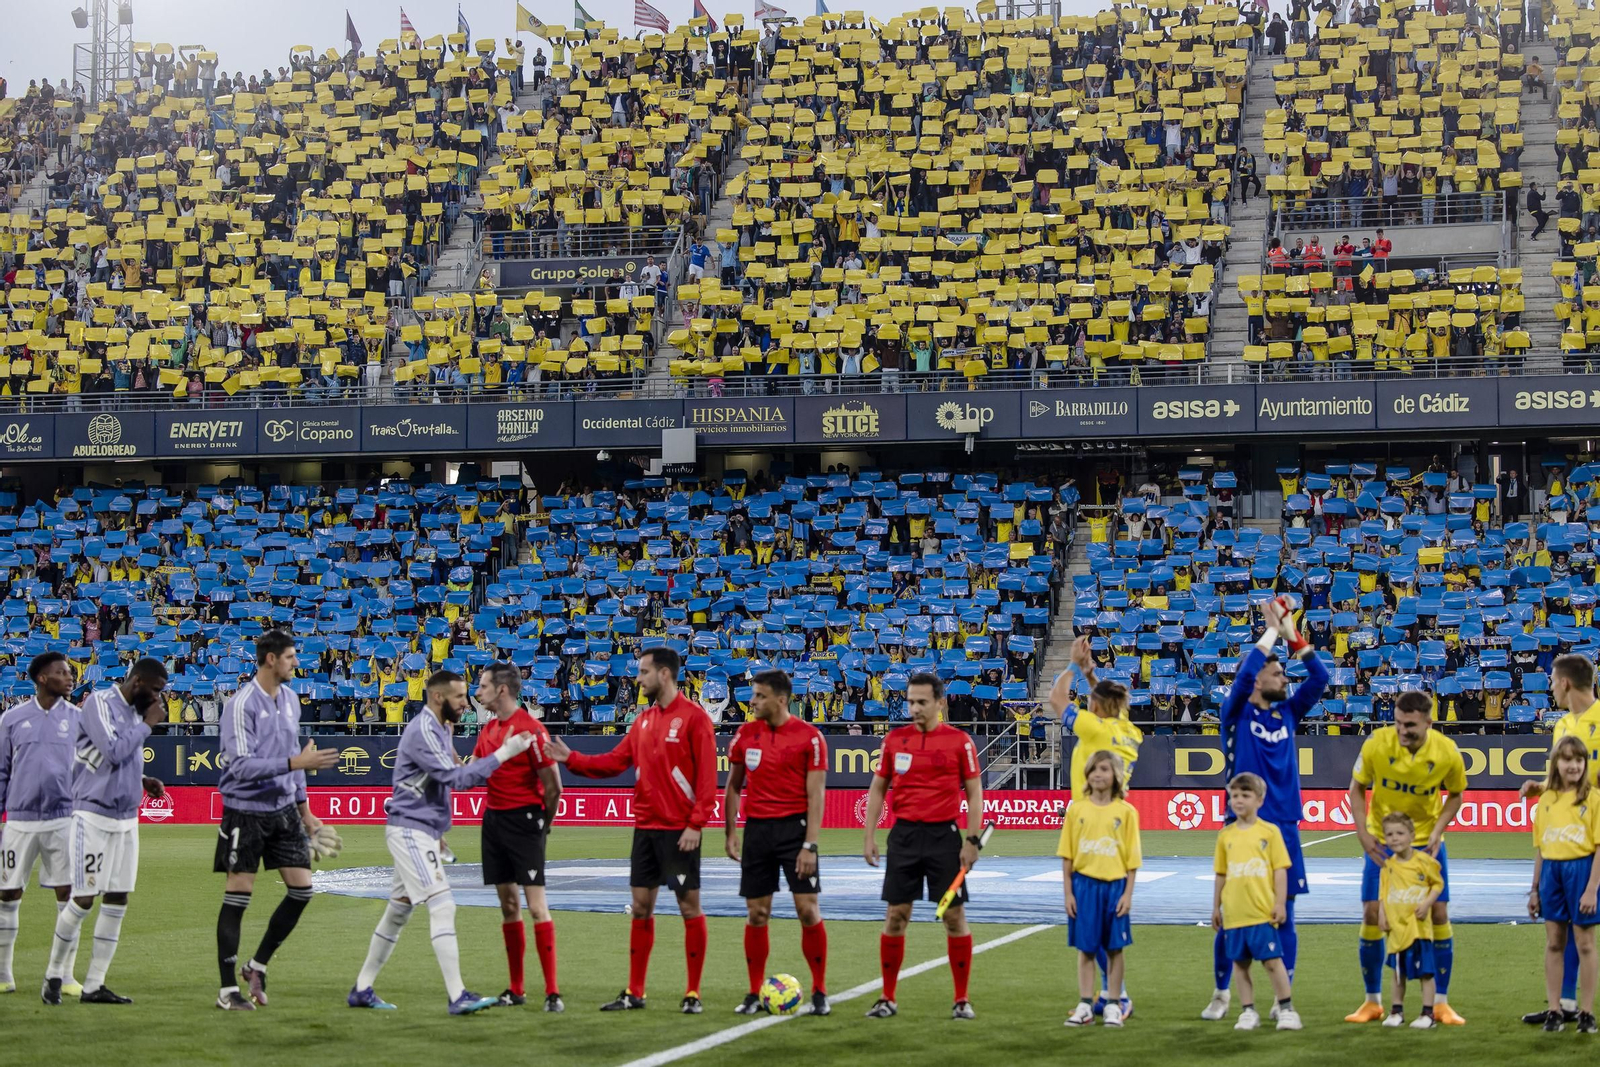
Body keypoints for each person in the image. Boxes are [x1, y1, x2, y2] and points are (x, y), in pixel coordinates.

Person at [347, 670, 535, 1014]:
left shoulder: (442, 727)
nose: (467, 703)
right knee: (443, 905)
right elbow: (455, 779)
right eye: (460, 697)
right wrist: (504, 754)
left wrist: (438, 831)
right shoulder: (423, 730)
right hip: (409, 831)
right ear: (438, 698)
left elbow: (441, 782)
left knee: (398, 912)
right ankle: (457, 995)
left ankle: (362, 988)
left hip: (420, 829)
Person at [545, 646, 717, 1013]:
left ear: (664, 674)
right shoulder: (642, 721)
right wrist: (571, 759)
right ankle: (635, 992)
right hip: (646, 829)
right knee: (641, 908)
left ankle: (693, 993)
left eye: (643, 672)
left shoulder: (694, 718)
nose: (637, 679)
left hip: (679, 831)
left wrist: (696, 824)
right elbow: (614, 762)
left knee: (689, 907)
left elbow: (707, 779)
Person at [1204, 596, 1326, 1020]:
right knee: (1232, 914)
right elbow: (1241, 679)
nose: (1284, 680)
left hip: (1285, 826)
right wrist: (1272, 629)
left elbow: (1320, 677)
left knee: (1284, 912)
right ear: (1259, 679)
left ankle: (1280, 997)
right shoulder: (1235, 714)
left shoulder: (1288, 713)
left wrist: (1291, 632)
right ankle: (1221, 994)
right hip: (1239, 826)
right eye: (1277, 673)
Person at [213, 630, 340, 1011]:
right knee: (239, 894)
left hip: (284, 810)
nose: (296, 663)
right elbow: (238, 766)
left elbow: (295, 758)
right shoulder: (240, 705)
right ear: (270, 659)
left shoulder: (290, 700)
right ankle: (226, 991)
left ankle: (256, 965)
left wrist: (307, 814)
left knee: (302, 891)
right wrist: (295, 763)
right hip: (246, 810)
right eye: (290, 657)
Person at [41, 658, 169, 1005]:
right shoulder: (100, 702)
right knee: (83, 899)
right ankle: (54, 974)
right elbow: (112, 751)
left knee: (118, 898)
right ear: (138, 682)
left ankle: (95, 985)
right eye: (156, 689)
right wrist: (147, 725)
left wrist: (142, 780)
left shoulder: (135, 711)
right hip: (92, 816)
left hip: (127, 817)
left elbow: (114, 759)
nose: (159, 698)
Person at [862, 672, 984, 1021]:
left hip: (944, 838)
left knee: (953, 915)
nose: (914, 708)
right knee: (896, 916)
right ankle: (887, 997)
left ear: (940, 703)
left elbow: (974, 793)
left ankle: (961, 999)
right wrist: (869, 835)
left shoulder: (959, 742)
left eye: (921, 702)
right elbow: (877, 788)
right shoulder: (895, 741)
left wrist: (972, 840)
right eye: (910, 701)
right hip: (903, 838)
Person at [1345, 691, 1467, 1025]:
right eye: (1398, 722)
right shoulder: (1376, 744)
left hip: (1426, 841)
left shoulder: (1446, 752)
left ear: (1429, 722)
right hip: (1382, 841)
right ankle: (1372, 1002)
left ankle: (1440, 1003)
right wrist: (1361, 831)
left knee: (1438, 913)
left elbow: (1456, 795)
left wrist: (1440, 829)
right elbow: (1356, 787)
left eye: (1410, 725)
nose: (1402, 730)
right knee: (1372, 913)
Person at [724, 669, 830, 1016]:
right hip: (757, 832)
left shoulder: (809, 737)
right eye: (752, 695)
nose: (752, 701)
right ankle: (754, 992)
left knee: (808, 911)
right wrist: (730, 832)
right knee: (757, 913)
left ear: (781, 700)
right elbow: (734, 786)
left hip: (795, 832)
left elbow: (816, 797)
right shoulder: (745, 735)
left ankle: (819, 991)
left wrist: (810, 845)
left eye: (759, 696)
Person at [1048, 638, 1141, 1016]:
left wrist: (1070, 666)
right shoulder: (1129, 731)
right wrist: (1090, 673)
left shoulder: (1095, 730)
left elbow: (1056, 701)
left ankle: (1114, 996)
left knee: (1090, 919)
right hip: (1116, 818)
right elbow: (1101, 701)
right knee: (1106, 920)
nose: (1087, 704)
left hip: (1090, 816)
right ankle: (1112, 994)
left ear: (1099, 708)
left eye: (1091, 702)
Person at [471, 662, 563, 1011]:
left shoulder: (531, 730)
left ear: (502, 690)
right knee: (509, 906)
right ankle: (516, 988)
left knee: (537, 907)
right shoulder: (488, 731)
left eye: (482, 686)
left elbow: (554, 785)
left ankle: (552, 992)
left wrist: (544, 823)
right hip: (493, 821)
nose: (478, 692)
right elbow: (473, 772)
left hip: (526, 822)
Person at [1520, 652, 1600, 1024]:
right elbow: (1561, 781)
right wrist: (1540, 786)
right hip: (1571, 838)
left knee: (1585, 930)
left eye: (1552, 681)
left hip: (1593, 838)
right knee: (1568, 926)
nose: (1551, 687)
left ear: (1565, 682)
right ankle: (1565, 1005)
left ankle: (1578, 1006)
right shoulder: (1562, 726)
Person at [0, 653, 84, 995]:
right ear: (42, 679)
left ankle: (64, 976)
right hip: (19, 821)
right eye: (62, 672)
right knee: (7, 894)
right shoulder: (12, 719)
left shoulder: (80, 719)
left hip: (63, 819)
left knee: (69, 895)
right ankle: (4, 975)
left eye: (69, 672)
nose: (69, 677)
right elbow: (1, 771)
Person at [1210, 772, 1300, 1032]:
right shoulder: (1225, 836)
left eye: (1245, 795)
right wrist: (1216, 907)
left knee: (1273, 962)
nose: (1238, 801)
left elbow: (1280, 870)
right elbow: (1221, 874)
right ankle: (1248, 1011)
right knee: (1240, 964)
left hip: (1261, 912)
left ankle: (1286, 1008)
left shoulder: (1269, 832)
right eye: (1234, 796)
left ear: (1259, 800)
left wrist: (1280, 903)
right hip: (1235, 913)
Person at [1060, 751, 1141, 1028]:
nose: (1098, 774)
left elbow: (1132, 860)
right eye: (1094, 769)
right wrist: (1069, 893)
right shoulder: (1077, 810)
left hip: (1115, 886)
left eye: (1105, 769)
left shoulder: (1127, 812)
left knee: (1115, 949)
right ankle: (1084, 1004)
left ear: (1115, 775)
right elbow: (1067, 857)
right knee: (1086, 948)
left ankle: (1114, 1004)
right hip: (1084, 886)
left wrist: (1128, 894)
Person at [1529, 735, 1600, 1032]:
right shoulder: (1547, 799)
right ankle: (1555, 1010)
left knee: (1584, 943)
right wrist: (1534, 889)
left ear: (1585, 764)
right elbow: (1541, 849)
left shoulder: (1593, 799)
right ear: (1556, 763)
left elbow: (1599, 847)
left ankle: (1586, 1012)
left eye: (1579, 760)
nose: (1573, 766)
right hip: (1552, 874)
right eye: (1567, 759)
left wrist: (1591, 889)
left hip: (1581, 870)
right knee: (1555, 942)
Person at [1376, 813, 1445, 1029]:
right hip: (1397, 929)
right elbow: (1383, 893)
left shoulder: (1424, 862)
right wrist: (1382, 914)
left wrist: (1427, 904)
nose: (1394, 838)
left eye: (1400, 833)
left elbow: (1437, 884)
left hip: (1418, 929)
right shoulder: (1387, 866)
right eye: (1389, 834)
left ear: (1412, 836)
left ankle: (1428, 1014)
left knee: (1425, 972)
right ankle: (1396, 1011)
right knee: (1398, 973)